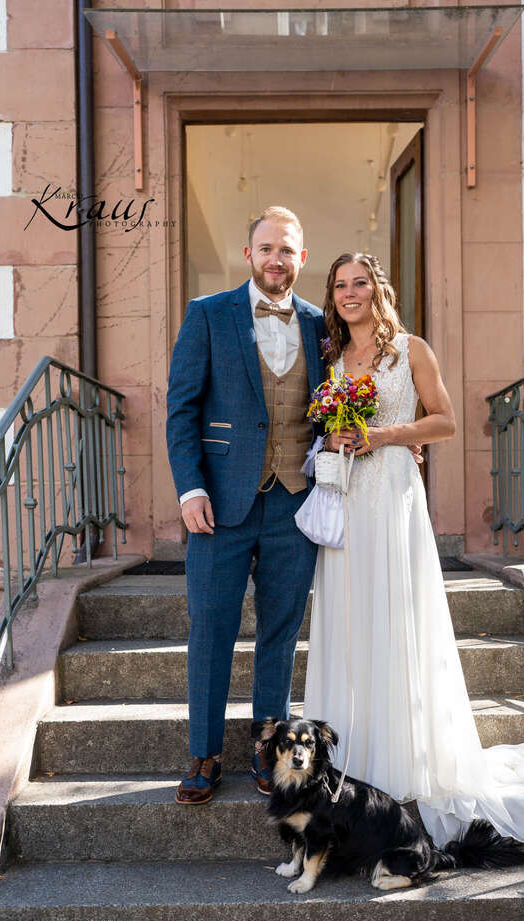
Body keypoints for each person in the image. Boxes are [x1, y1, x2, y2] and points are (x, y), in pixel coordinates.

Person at [302, 251, 524, 848]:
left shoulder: (411, 350)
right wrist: (338, 437)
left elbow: (446, 421)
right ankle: (353, 757)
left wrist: (385, 435)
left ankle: (405, 760)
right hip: (348, 498)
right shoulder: (332, 356)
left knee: (396, 618)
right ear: (333, 295)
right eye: (340, 286)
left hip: (393, 495)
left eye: (360, 284)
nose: (350, 294)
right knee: (351, 620)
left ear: (380, 290)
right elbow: (329, 426)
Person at [166, 206, 325, 802]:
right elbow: (181, 408)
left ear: (301, 258)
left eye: (287, 250)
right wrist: (191, 487)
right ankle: (203, 754)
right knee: (211, 628)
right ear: (248, 253)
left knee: (280, 633)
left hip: (296, 505)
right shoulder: (207, 315)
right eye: (266, 249)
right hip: (218, 505)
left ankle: (268, 747)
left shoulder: (319, 325)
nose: (276, 259)